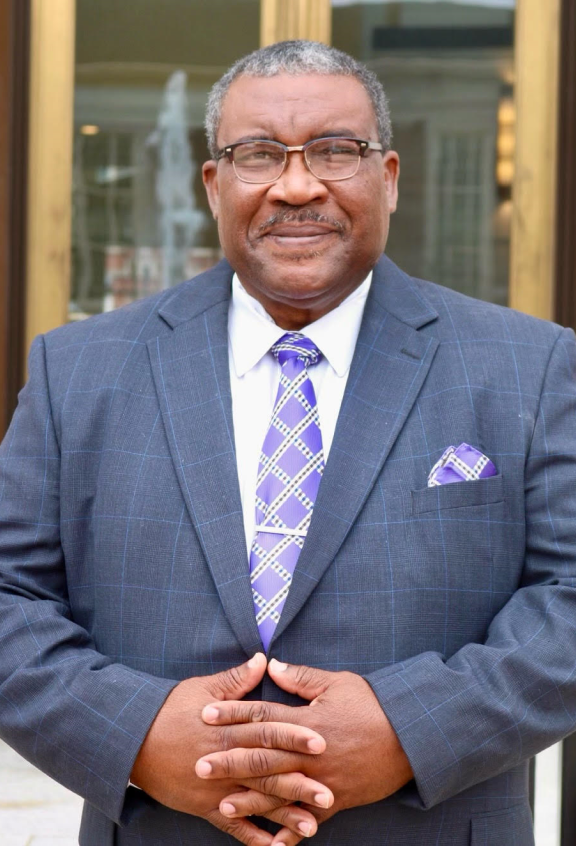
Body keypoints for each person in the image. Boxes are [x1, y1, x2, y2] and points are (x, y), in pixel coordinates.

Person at [0, 39, 575, 846]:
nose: (297, 186)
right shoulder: (79, 371)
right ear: (214, 185)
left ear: (389, 177)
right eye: (259, 154)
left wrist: (411, 729)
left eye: (337, 151)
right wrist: (135, 733)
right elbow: (9, 596)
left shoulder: (529, 365)